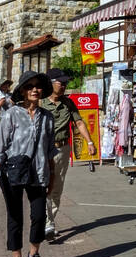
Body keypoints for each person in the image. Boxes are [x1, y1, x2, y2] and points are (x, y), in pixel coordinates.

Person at [0, 70, 55, 257]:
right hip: (13, 172)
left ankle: (33, 256)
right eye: (29, 86)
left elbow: (50, 149)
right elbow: (0, 147)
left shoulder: (47, 117)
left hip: (39, 172)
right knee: (15, 217)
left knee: (39, 216)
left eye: (38, 86)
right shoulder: (11, 114)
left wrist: (52, 176)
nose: (35, 89)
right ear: (23, 91)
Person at [39, 67, 96, 241]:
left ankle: (50, 222)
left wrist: (90, 142)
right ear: (51, 83)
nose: (64, 86)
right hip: (42, 149)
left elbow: (79, 123)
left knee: (57, 188)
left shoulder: (68, 103)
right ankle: (46, 223)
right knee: (43, 186)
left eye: (66, 83)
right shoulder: (40, 102)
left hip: (62, 149)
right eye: (60, 83)